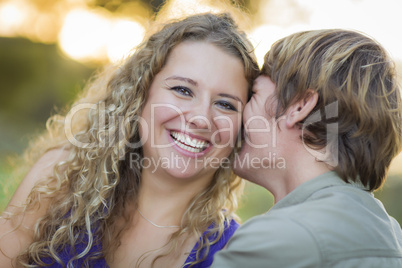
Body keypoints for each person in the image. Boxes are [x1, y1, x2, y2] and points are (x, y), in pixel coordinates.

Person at [0, 13, 259, 267]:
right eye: (183, 90)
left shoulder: (236, 253)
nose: (201, 119)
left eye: (225, 104)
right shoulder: (59, 178)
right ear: (141, 92)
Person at [212, 29, 402, 267]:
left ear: (300, 106)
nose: (237, 115)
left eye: (253, 95)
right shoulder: (390, 234)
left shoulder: (280, 237)